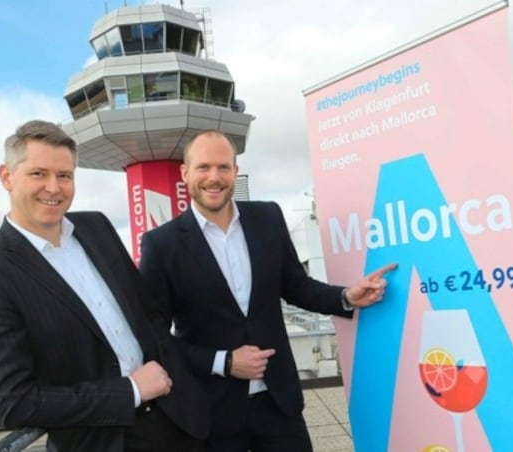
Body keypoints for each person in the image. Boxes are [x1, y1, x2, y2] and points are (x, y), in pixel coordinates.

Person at [138, 129, 397, 452]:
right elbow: (153, 334)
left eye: (223, 167)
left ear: (235, 171)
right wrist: (224, 361)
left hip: (278, 403)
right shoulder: (161, 245)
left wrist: (345, 297)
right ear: (186, 173)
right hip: (211, 410)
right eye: (203, 167)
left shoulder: (268, 217)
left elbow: (296, 286)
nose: (214, 177)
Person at [0, 120, 208, 451]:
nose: (54, 187)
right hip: (103, 440)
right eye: (38, 174)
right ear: (7, 177)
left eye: (65, 175)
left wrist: (173, 376)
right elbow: (12, 401)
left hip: (178, 421)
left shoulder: (97, 227)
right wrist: (130, 390)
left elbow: (148, 314)